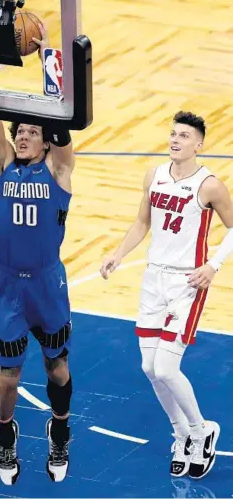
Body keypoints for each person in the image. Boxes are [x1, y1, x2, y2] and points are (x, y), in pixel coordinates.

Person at [100, 111, 233, 479]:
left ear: (199, 143)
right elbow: (143, 221)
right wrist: (118, 253)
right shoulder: (154, 176)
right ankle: (182, 434)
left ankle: (202, 430)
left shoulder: (209, 185)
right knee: (148, 367)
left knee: (165, 367)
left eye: (185, 135)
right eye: (173, 134)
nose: (176, 140)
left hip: (186, 284)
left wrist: (214, 265)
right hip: (153, 279)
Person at [0, 23, 74, 485]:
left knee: (57, 368)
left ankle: (59, 431)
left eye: (32, 131)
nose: (23, 135)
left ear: (45, 142)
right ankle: (5, 437)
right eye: (21, 130)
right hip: (7, 285)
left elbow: (61, 122)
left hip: (47, 282)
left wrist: (49, 62)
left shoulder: (58, 172)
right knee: (10, 375)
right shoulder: (0, 167)